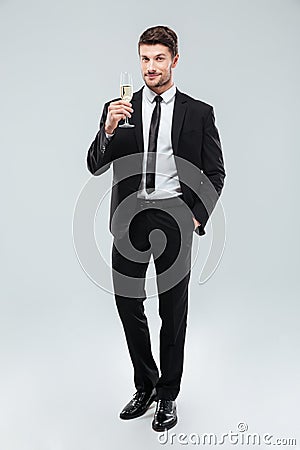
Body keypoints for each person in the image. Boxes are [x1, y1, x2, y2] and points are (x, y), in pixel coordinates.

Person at [86, 25, 226, 432]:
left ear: (174, 60)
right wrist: (108, 130)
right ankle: (145, 385)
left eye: (159, 58)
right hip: (129, 219)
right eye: (145, 58)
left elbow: (215, 173)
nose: (151, 66)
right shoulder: (121, 108)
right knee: (129, 306)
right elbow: (95, 164)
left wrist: (196, 216)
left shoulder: (199, 113)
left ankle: (168, 395)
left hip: (175, 217)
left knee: (172, 311)